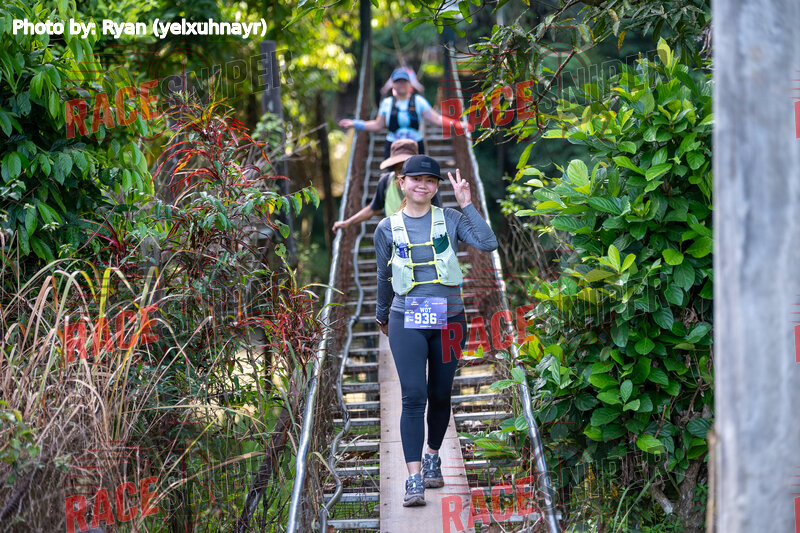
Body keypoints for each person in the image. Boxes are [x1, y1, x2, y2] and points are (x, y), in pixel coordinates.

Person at [373, 155, 498, 507]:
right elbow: (384, 275)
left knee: (441, 394)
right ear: (402, 183)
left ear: (436, 187)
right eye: (416, 179)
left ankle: (432, 456)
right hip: (406, 319)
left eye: (430, 180)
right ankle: (413, 477)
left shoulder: (451, 219)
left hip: (450, 319)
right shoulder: (386, 228)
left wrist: (467, 204)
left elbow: (488, 243)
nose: (423, 185)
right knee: (414, 395)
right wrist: (382, 315)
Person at [339, 68, 464, 160]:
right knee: (393, 178)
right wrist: (355, 124)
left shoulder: (419, 101)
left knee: (416, 177)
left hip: (415, 146)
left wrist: (457, 124)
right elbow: (377, 125)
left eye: (404, 81)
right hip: (393, 147)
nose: (401, 84)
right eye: (398, 81)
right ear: (393, 84)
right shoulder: (387, 103)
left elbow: (436, 119)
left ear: (410, 84)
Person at [331, 139, 441, 233]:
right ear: (393, 167)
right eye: (399, 168)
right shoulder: (386, 181)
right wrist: (347, 223)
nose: (403, 172)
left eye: (407, 167)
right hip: (396, 238)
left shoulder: (426, 187)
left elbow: (436, 215)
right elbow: (374, 208)